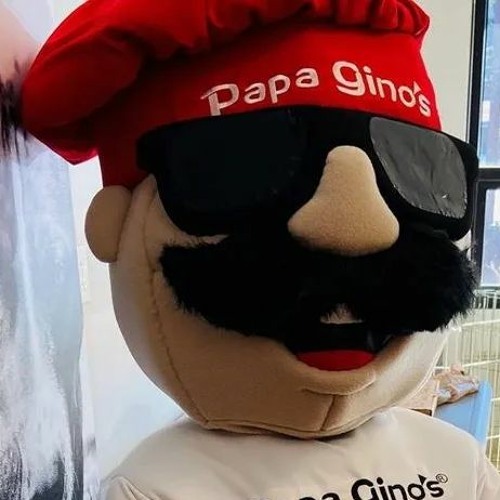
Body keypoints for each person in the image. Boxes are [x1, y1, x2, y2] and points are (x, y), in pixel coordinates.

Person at [17, 0, 500, 498]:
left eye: (413, 170)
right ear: (115, 227)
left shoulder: (454, 458)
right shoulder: (157, 488)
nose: (363, 231)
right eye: (250, 169)